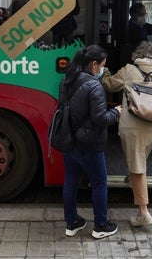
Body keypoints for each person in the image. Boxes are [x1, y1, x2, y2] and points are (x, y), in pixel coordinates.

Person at [101, 41, 152, 227]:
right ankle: (132, 177)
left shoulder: (129, 70)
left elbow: (109, 85)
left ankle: (143, 212)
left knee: (138, 166)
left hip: (133, 125)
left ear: (137, 54)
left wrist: (106, 72)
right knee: (139, 159)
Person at [60, 44, 122, 239]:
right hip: (89, 143)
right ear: (94, 64)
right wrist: (116, 112)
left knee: (70, 180)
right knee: (99, 184)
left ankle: (72, 223)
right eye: (103, 65)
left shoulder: (67, 80)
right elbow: (100, 119)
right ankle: (101, 226)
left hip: (68, 139)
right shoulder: (94, 86)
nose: (103, 69)